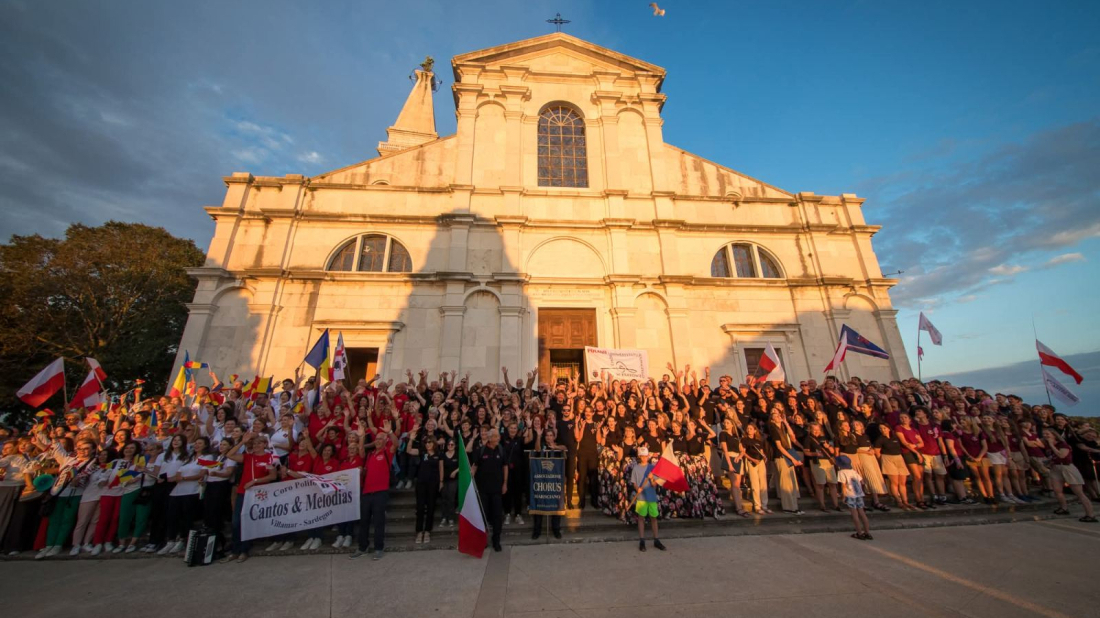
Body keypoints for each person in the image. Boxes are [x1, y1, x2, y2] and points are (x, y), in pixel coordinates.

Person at [221, 432, 278, 563]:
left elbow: (272, 476)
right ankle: (235, 550)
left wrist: (255, 481)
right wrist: (242, 441)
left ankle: (244, 550)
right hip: (243, 492)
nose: (256, 445)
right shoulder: (247, 457)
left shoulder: (269, 458)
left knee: (247, 522)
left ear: (265, 444)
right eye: (254, 443)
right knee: (236, 522)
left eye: (259, 443)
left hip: (257, 493)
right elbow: (229, 454)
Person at [350, 423, 396, 560]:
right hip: (366, 492)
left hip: (380, 492)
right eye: (376, 439)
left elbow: (396, 443)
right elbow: (363, 458)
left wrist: (390, 432)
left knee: (378, 522)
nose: (378, 441)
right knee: (363, 521)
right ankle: (362, 547)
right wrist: (362, 437)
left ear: (385, 441)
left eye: (381, 439)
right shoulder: (370, 455)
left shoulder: (387, 452)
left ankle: (378, 548)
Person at [1043, 429, 1096, 522]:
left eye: (1047, 434)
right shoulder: (1047, 447)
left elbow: (1061, 455)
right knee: (1057, 490)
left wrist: (1052, 445)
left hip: (1067, 467)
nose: (1045, 435)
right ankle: (1063, 508)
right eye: (1044, 434)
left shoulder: (1062, 444)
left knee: (1079, 492)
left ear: (1054, 435)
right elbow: (1053, 457)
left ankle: (1090, 514)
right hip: (1055, 468)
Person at [471, 428, 507, 552]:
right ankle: (483, 540)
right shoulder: (480, 450)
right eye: (496, 436)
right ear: (490, 438)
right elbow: (475, 466)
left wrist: (505, 483)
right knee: (483, 515)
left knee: (497, 516)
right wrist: (470, 478)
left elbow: (505, 466)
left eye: (498, 436)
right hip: (483, 489)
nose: (498, 438)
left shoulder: (501, 450)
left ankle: (496, 541)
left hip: (497, 489)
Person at [630, 446, 665, 552]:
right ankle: (642, 540)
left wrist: (651, 478)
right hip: (641, 497)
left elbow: (655, 484)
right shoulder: (635, 468)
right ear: (639, 456)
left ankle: (656, 539)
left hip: (651, 496)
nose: (644, 458)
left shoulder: (652, 468)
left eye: (646, 456)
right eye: (642, 456)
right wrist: (637, 489)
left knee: (653, 518)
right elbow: (634, 482)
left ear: (648, 456)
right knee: (641, 518)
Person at [836, 455, 872, 540]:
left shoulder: (841, 472)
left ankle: (859, 533)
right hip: (859, 494)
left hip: (850, 494)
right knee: (862, 513)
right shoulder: (853, 471)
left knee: (854, 514)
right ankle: (867, 532)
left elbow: (843, 485)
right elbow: (862, 482)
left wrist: (843, 496)